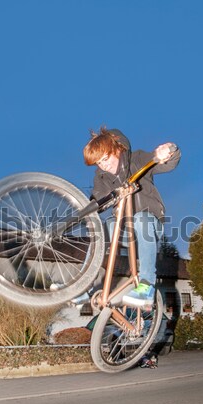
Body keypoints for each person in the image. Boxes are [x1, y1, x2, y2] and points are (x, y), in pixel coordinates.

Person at [83, 126, 181, 308]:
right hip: (123, 228)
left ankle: (146, 285)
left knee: (141, 219)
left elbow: (167, 163)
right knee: (99, 232)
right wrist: (84, 208)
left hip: (150, 225)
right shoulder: (101, 177)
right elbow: (98, 201)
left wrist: (169, 150)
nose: (104, 166)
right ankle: (82, 287)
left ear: (117, 149)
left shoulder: (137, 159)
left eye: (105, 159)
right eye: (99, 163)